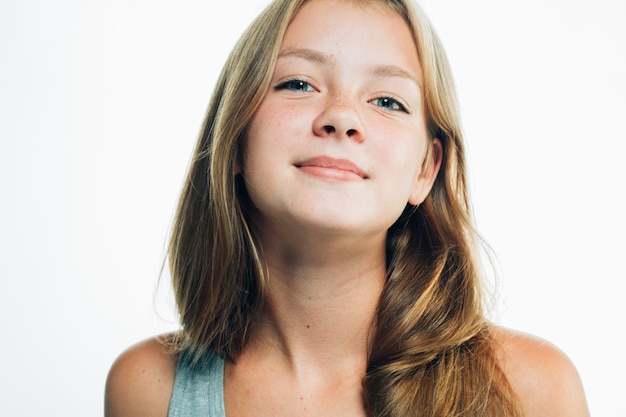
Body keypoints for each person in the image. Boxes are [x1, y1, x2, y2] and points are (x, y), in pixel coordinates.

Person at [105, 0, 590, 415]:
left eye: (386, 100)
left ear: (426, 168)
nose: (341, 117)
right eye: (298, 84)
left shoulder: (531, 391)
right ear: (235, 139)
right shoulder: (146, 390)